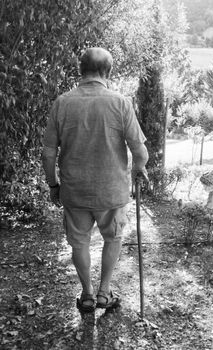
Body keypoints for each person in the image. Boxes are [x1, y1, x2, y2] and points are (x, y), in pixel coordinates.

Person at [42, 47, 148, 313]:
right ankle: (104, 293)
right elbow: (139, 150)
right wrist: (140, 167)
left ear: (81, 70)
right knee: (113, 239)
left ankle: (87, 295)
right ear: (107, 71)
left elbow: (48, 152)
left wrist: (53, 184)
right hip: (111, 192)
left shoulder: (62, 103)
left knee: (79, 243)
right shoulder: (120, 102)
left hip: (75, 191)